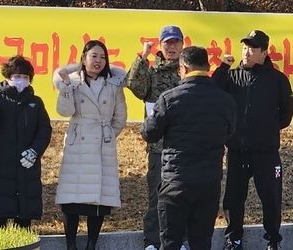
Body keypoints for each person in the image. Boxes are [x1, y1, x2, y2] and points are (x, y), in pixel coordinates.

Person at [142, 46, 237, 250]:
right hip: (209, 181)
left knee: (171, 242)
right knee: (202, 242)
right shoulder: (225, 100)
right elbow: (230, 133)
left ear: (183, 68)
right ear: (208, 66)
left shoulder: (169, 98)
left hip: (176, 181)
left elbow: (150, 133)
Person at [213, 30, 293, 250]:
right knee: (234, 198)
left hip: (266, 153)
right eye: (244, 47)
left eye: (252, 48)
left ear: (264, 52)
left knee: (271, 198)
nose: (246, 52)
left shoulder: (277, 80)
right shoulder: (231, 75)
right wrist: (222, 68)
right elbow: (212, 92)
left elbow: (286, 114)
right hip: (237, 151)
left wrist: (265, 129)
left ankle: (273, 240)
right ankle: (234, 238)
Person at [53, 40, 127, 250]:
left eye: (102, 57)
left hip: (102, 145)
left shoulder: (113, 84)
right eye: (94, 56)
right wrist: (65, 87)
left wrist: (108, 134)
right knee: (72, 200)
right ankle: (71, 245)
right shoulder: (73, 81)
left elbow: (120, 117)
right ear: (84, 58)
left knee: (98, 202)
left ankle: (91, 245)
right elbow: (64, 112)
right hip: (78, 144)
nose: (98, 61)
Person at [125, 25, 185, 250]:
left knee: (182, 198)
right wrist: (143, 56)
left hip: (183, 146)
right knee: (156, 197)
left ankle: (181, 241)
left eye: (175, 42)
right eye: (167, 43)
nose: (171, 47)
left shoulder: (186, 71)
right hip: (159, 147)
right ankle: (151, 242)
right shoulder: (152, 72)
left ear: (182, 45)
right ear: (161, 45)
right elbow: (134, 86)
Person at [0, 55, 52, 229]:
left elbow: (44, 130)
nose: (21, 80)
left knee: (24, 221)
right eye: (17, 76)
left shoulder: (36, 102)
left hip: (27, 168)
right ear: (7, 77)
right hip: (3, 168)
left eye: (25, 77)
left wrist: (35, 151)